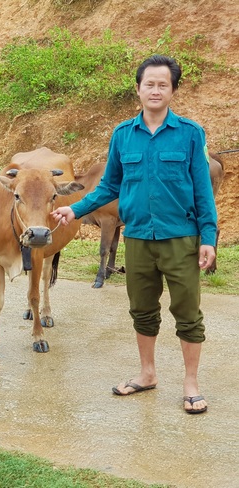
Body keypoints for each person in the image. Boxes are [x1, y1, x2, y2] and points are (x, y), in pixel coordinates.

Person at [51, 55, 217, 415]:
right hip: (139, 238)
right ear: (138, 88)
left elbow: (203, 191)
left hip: (181, 238)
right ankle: (147, 374)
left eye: (163, 84)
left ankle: (191, 384)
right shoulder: (123, 135)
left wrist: (208, 237)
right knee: (142, 311)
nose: (155, 90)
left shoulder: (190, 133)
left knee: (187, 313)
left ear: (172, 90)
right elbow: (110, 184)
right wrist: (75, 208)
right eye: (149, 84)